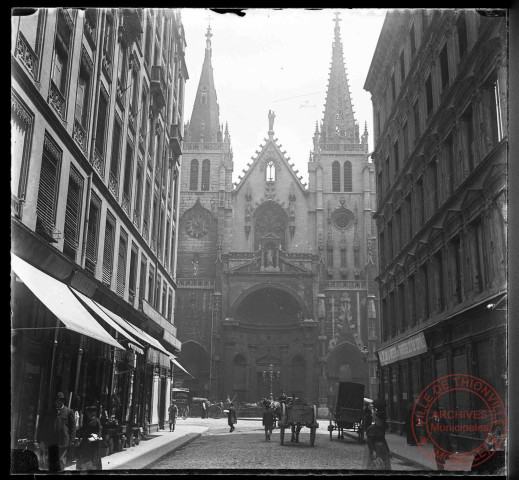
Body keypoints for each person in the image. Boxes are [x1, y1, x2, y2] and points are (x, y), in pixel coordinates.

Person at [37, 392, 76, 472]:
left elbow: (73, 429)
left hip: (63, 442)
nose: (58, 402)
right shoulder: (51, 412)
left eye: (61, 400)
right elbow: (46, 427)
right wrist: (42, 440)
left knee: (60, 462)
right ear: (54, 401)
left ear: (63, 401)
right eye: (57, 400)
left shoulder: (69, 412)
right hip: (51, 442)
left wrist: (71, 441)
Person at [362, 398, 391, 470]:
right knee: (373, 466)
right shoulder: (372, 429)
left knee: (383, 465)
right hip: (374, 448)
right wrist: (373, 451)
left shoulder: (381, 426)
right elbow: (369, 441)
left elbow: (383, 438)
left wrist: (388, 450)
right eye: (379, 421)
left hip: (381, 448)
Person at [76, 406, 102, 471]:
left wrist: (94, 439)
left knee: (93, 457)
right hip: (85, 442)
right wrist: (80, 437)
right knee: (84, 456)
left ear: (93, 413)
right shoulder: (86, 421)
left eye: (89, 413)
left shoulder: (97, 421)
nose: (88, 414)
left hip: (93, 443)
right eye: (87, 413)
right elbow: (83, 430)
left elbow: (99, 431)